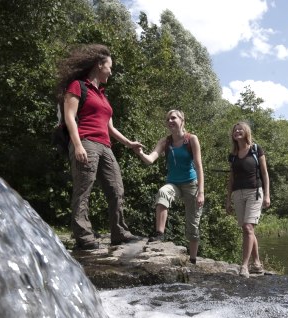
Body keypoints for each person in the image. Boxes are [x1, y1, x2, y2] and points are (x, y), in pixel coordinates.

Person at [56, 44, 142, 249]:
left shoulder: (103, 96)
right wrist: (77, 146)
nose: (111, 71)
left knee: (116, 188)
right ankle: (83, 236)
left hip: (105, 147)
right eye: (109, 67)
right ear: (98, 65)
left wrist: (129, 143)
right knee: (84, 188)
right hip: (86, 142)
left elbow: (110, 127)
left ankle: (119, 232)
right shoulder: (78, 86)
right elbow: (69, 117)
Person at [135, 110, 205, 264]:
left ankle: (193, 259)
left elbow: (199, 167)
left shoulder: (191, 139)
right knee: (162, 192)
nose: (170, 121)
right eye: (168, 119)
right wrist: (140, 152)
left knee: (192, 226)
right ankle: (159, 234)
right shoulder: (165, 142)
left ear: (182, 120)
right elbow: (150, 159)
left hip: (191, 184)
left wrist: (201, 192)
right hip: (173, 183)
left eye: (173, 118)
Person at [225, 121, 271, 278]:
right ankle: (257, 264)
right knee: (247, 229)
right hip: (238, 193)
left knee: (247, 227)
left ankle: (244, 266)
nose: (237, 131)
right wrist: (228, 199)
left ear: (246, 132)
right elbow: (231, 178)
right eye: (235, 130)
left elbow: (265, 173)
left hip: (254, 192)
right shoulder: (233, 155)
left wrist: (267, 195)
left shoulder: (256, 150)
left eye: (240, 129)